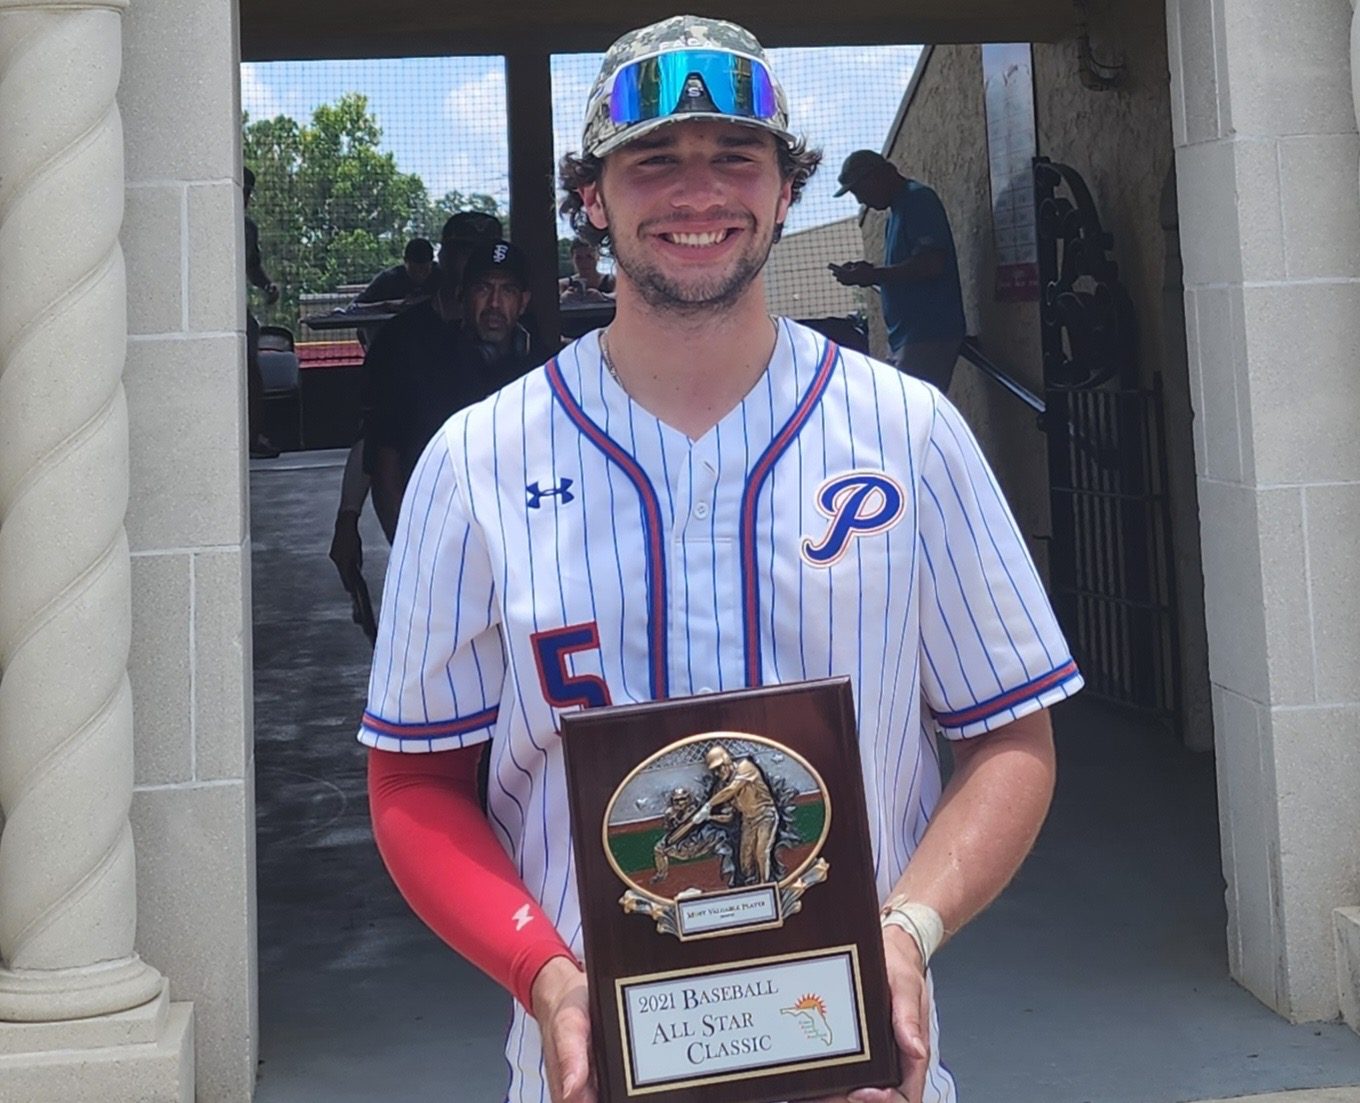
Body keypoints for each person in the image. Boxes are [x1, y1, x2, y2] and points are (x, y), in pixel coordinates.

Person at [359, 17, 1082, 1103]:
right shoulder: (475, 461)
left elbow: (1008, 734)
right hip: (593, 1065)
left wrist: (908, 932)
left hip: (860, 1065)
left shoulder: (909, 432)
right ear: (592, 198)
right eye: (653, 158)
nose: (698, 193)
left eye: (735, 155)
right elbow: (413, 781)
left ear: (785, 187)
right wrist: (544, 977)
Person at [327, 211, 505, 595]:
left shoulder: (520, 339)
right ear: (443, 256)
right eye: (463, 252)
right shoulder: (401, 340)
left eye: (485, 254)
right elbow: (375, 442)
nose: (472, 264)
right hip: (421, 510)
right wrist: (347, 519)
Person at [363, 239, 535, 540]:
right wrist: (413, 554)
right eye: (483, 288)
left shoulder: (544, 376)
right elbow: (385, 468)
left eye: (507, 290)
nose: (494, 304)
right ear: (461, 296)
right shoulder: (419, 367)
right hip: (443, 544)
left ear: (523, 302)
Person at [830, 150, 966, 393]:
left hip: (928, 334)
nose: (861, 201)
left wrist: (874, 275)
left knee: (908, 421)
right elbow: (909, 271)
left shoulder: (918, 200)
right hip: (909, 338)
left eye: (859, 191)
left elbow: (931, 264)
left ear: (878, 177)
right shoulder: (897, 212)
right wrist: (869, 274)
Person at [242, 167, 281, 458]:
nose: (244, 197)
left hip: (235, 312)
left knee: (251, 369)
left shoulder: (247, 228)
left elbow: (252, 267)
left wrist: (268, 285)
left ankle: (253, 436)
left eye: (247, 192)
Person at [353, 237, 438, 308]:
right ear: (405, 262)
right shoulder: (388, 279)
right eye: (414, 271)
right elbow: (355, 306)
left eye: (425, 270)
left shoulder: (440, 276)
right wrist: (383, 305)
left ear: (432, 263)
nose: (420, 275)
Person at [559, 236, 616, 302]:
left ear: (598, 257)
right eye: (579, 258)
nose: (584, 262)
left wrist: (603, 298)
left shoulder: (611, 282)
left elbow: (622, 299)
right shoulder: (563, 285)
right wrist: (563, 299)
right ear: (572, 260)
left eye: (589, 257)